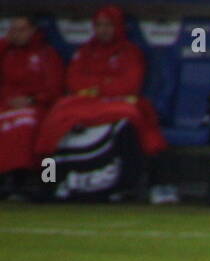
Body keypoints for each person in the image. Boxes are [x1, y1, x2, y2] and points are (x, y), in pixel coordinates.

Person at [34, 5, 167, 164]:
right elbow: (74, 81)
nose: (103, 30)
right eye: (99, 25)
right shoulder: (85, 51)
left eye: (108, 25)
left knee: (130, 116)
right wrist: (104, 84)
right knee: (56, 115)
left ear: (118, 26)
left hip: (116, 102)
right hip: (85, 102)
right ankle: (51, 176)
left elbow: (129, 84)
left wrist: (95, 87)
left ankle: (124, 177)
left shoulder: (130, 51)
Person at [0, 14, 63, 194]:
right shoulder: (6, 53)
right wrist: (5, 42)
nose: (16, 34)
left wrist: (32, 100)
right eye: (12, 30)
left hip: (39, 106)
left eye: (21, 30)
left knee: (27, 124)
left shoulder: (46, 54)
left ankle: (42, 179)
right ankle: (8, 177)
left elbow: (54, 89)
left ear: (33, 31)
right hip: (7, 105)